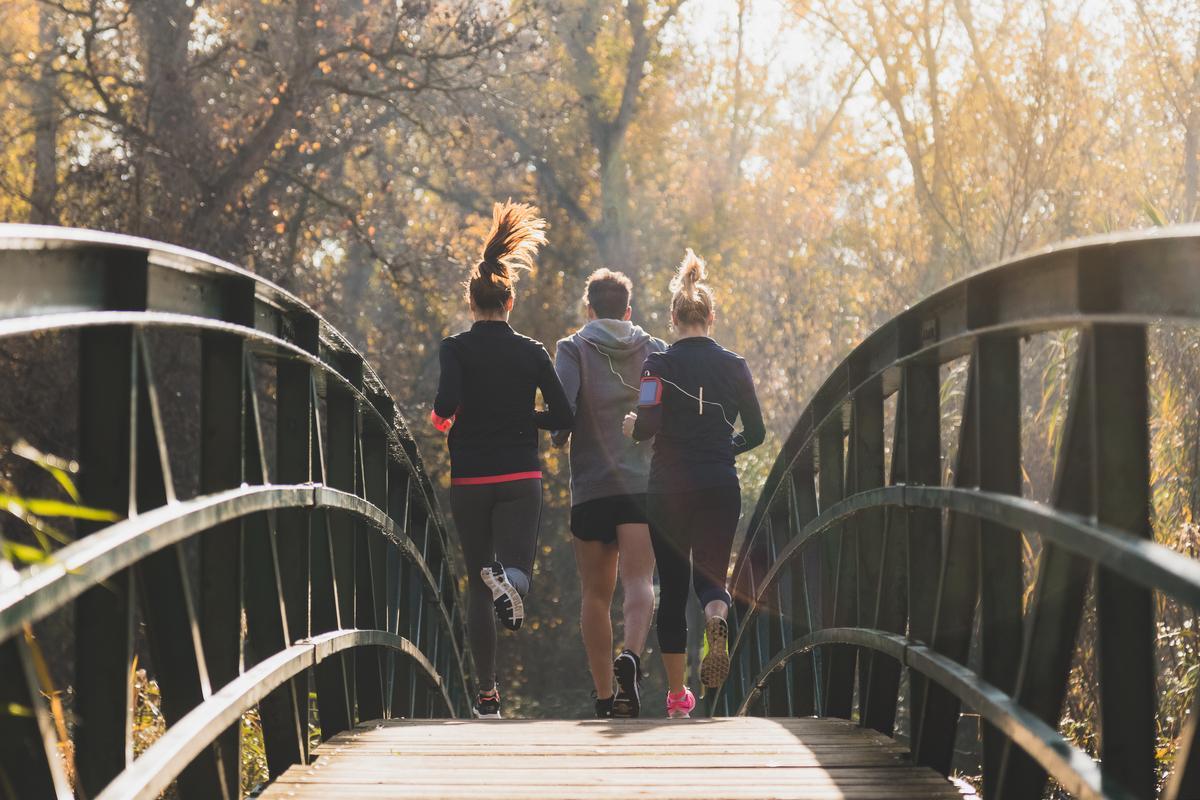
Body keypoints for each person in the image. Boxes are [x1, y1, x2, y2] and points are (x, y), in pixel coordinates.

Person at [431, 200, 573, 720]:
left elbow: (445, 406)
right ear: (510, 301)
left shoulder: (455, 349)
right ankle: (509, 582)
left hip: (470, 476)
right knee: (516, 568)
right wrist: (527, 416)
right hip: (520, 474)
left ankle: (487, 694)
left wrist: (445, 418)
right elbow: (564, 414)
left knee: (476, 583)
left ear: (472, 303)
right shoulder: (533, 351)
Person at [622, 249, 765, 719]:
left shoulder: (656, 365)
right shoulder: (736, 365)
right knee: (710, 578)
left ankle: (678, 698)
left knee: (673, 585)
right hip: (720, 483)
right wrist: (725, 450)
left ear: (673, 318)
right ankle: (716, 623)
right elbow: (758, 433)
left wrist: (632, 428)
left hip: (668, 489)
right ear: (711, 316)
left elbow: (647, 425)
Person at [553, 269, 666, 719]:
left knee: (594, 595)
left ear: (589, 309)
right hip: (642, 486)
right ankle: (632, 658)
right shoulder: (656, 350)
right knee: (639, 581)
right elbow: (664, 415)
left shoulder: (573, 348)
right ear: (628, 310)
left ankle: (604, 697)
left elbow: (561, 422)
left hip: (593, 487)